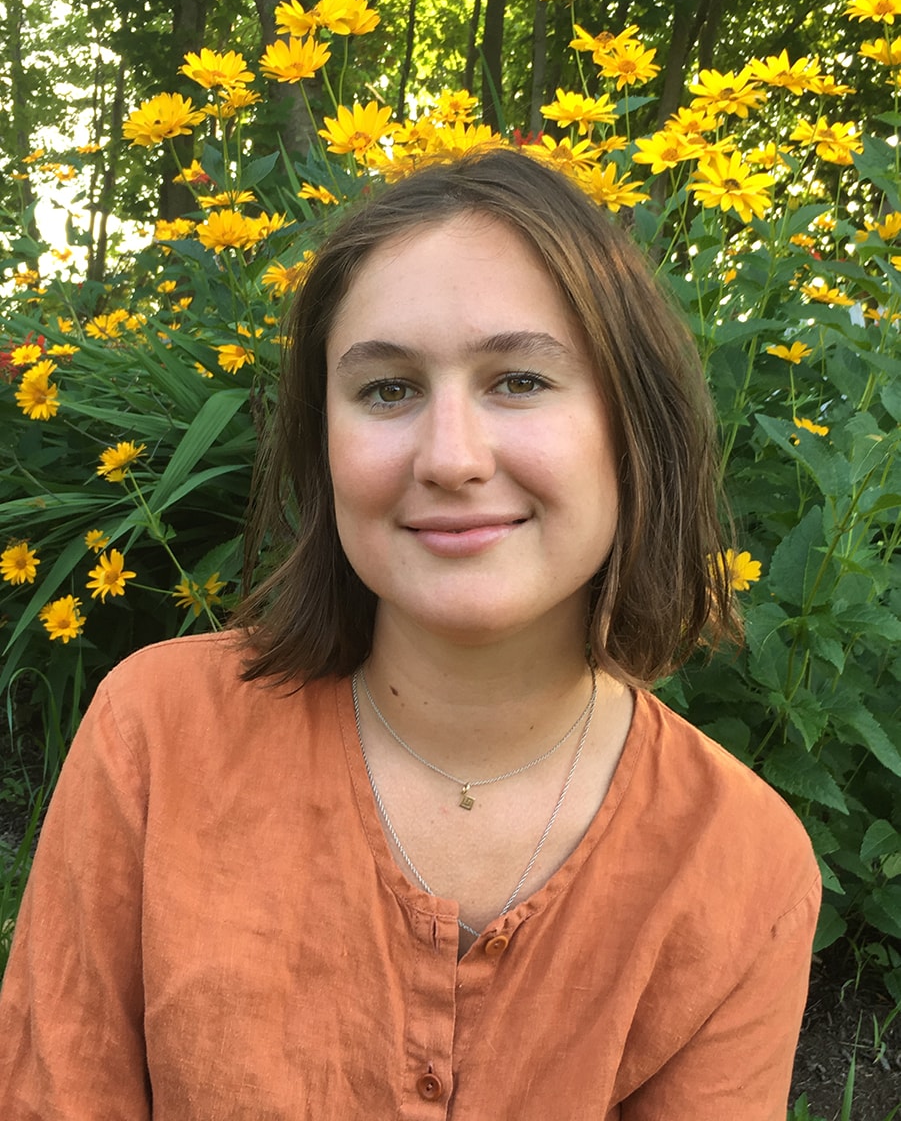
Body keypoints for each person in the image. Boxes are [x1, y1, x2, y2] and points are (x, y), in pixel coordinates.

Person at [0, 148, 820, 1119]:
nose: (449, 457)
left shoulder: (738, 863)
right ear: (325, 445)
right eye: (387, 389)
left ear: (631, 428)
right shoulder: (156, 734)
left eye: (517, 379)